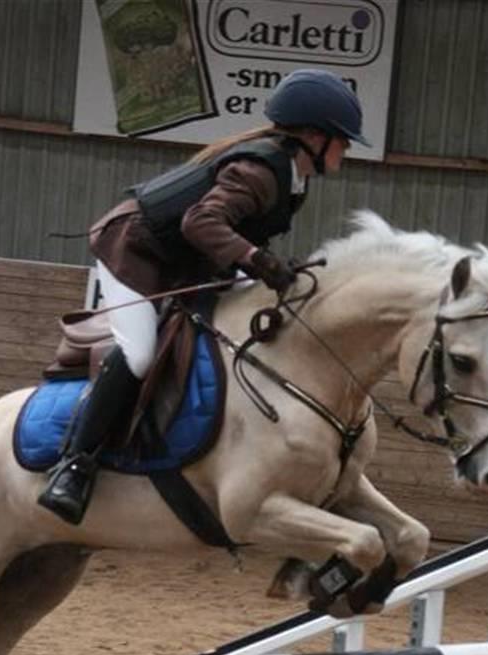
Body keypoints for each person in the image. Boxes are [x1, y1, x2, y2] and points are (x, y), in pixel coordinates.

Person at [38, 69, 370, 525]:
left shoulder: (292, 175)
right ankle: (73, 466)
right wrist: (259, 260)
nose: (346, 150)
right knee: (138, 353)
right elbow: (200, 223)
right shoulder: (260, 170)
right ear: (314, 136)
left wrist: (271, 265)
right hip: (135, 251)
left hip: (188, 259)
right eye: (342, 140)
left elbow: (231, 234)